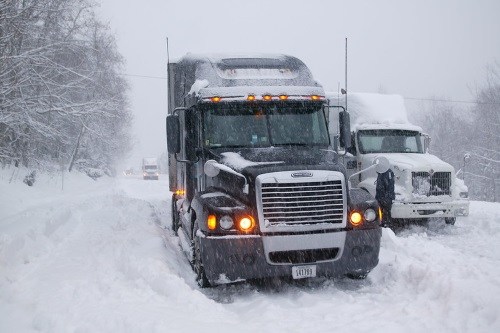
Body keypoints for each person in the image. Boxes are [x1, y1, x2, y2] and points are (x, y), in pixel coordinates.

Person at [375, 159, 395, 226]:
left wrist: (386, 197)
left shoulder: (387, 173)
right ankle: (385, 224)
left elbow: (390, 187)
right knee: (384, 213)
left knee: (386, 213)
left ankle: (386, 225)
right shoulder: (382, 173)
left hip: (385, 198)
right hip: (382, 197)